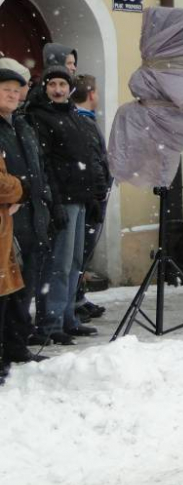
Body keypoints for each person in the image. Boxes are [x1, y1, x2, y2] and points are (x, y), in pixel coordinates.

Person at [26, 66, 106, 345]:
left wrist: (94, 197)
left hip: (80, 199)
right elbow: (45, 164)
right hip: (62, 200)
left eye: (63, 84)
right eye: (53, 84)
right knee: (57, 264)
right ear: (45, 87)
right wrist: (55, 203)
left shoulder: (72, 114)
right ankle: (50, 322)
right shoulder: (39, 116)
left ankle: (69, 316)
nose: (58, 89)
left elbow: (84, 156)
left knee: (74, 264)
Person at [0, 68, 44, 374]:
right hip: (8, 214)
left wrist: (44, 203)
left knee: (19, 285)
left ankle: (16, 345)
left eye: (17, 90)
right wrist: (18, 190)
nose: (12, 95)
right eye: (5, 90)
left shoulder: (23, 124)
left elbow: (39, 169)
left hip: (27, 214)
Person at [71, 75, 112, 322]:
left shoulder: (85, 121)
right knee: (80, 252)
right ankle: (74, 301)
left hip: (91, 195)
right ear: (92, 94)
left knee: (82, 253)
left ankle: (78, 298)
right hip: (90, 197)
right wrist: (100, 192)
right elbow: (93, 161)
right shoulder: (83, 123)